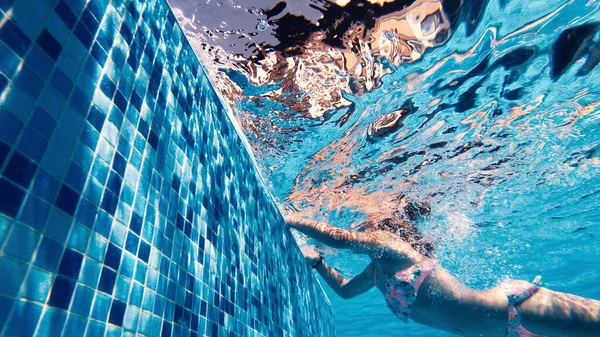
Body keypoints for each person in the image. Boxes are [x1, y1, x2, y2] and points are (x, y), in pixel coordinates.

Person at [285, 210, 600, 337]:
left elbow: (341, 239)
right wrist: (317, 264)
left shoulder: (397, 250)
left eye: (364, 222)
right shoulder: (377, 273)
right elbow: (344, 291)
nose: (357, 225)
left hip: (519, 309)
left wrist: (292, 218)